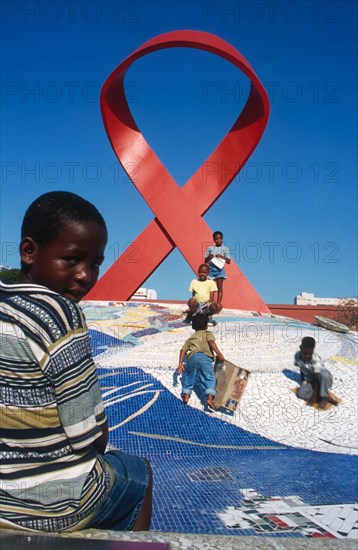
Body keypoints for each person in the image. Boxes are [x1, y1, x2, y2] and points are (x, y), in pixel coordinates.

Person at [0, 191, 152, 532]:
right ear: (29, 252)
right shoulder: (60, 314)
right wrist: (100, 438)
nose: (86, 275)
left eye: (95, 263)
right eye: (72, 259)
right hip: (47, 507)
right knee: (138, 475)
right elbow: (89, 433)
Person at [177, 313, 224, 410]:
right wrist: (219, 353)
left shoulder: (191, 337)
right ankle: (210, 398)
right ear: (206, 325)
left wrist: (180, 363)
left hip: (192, 357)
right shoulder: (208, 334)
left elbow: (183, 350)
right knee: (209, 378)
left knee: (190, 376)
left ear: (193, 326)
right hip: (205, 358)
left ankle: (186, 395)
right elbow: (211, 342)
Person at [294, 336, 338, 409]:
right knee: (300, 394)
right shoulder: (297, 356)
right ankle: (324, 394)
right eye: (305, 353)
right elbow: (301, 369)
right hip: (310, 380)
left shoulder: (316, 360)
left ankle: (323, 396)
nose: (307, 356)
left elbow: (316, 380)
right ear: (301, 348)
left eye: (309, 354)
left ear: (313, 351)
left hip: (321, 379)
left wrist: (313, 398)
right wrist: (303, 381)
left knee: (324, 375)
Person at [204, 231, 231, 307]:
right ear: (213, 240)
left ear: (222, 239)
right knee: (210, 287)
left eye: (220, 238)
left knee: (219, 287)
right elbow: (205, 261)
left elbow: (229, 261)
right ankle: (210, 301)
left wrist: (221, 257)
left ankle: (218, 303)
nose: (218, 240)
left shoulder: (225, 249)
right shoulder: (210, 248)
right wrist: (209, 256)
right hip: (211, 269)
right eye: (216, 239)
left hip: (220, 270)